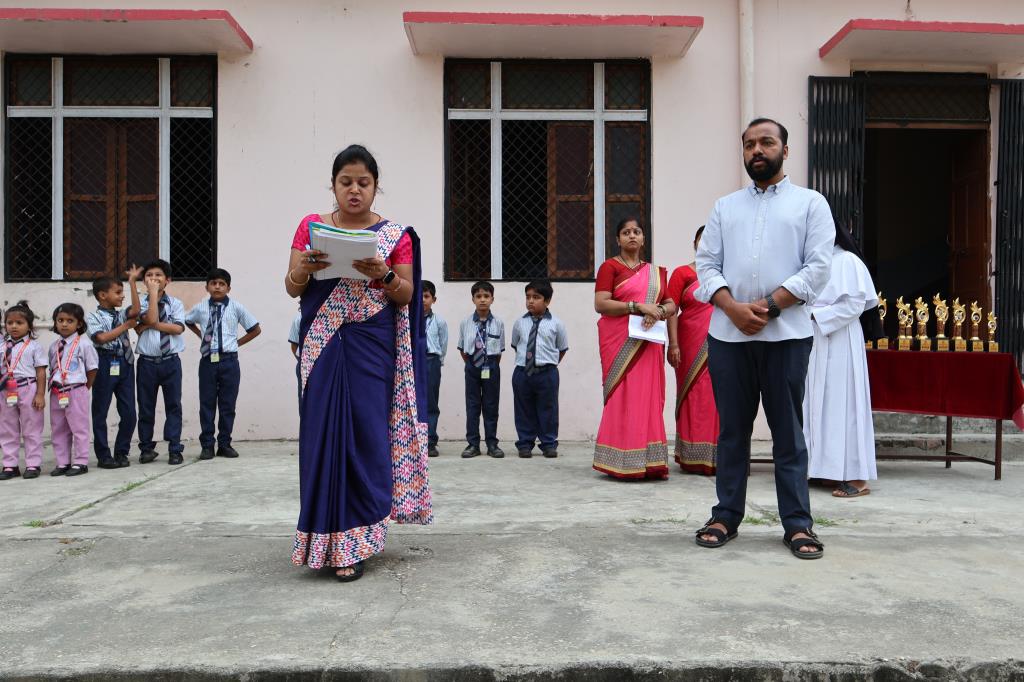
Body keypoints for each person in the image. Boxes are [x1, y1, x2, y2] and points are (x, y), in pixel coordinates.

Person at [284, 144, 431, 582]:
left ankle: (358, 542)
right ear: (332, 185)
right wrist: (305, 268)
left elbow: (406, 294)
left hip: (371, 347)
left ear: (375, 187)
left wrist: (383, 274)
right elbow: (292, 286)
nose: (354, 190)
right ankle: (322, 539)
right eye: (345, 182)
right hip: (322, 345)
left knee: (366, 434)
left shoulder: (396, 235)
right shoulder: (310, 227)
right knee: (321, 435)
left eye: (363, 183)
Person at [694, 118, 834, 560]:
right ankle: (725, 516)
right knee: (732, 433)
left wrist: (770, 306)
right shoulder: (725, 207)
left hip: (787, 336)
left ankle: (797, 524)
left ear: (785, 151)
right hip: (727, 336)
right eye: (750, 144)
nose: (757, 150)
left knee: (788, 434)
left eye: (767, 142)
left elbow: (818, 268)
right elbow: (706, 265)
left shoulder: (810, 204)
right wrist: (733, 308)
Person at [592, 217, 676, 479]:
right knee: (622, 396)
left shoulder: (655, 273)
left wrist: (657, 310)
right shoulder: (609, 267)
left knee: (647, 398)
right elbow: (601, 304)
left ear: (643, 239)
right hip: (620, 343)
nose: (631, 236)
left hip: (648, 344)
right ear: (618, 239)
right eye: (626, 232)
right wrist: (638, 307)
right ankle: (620, 460)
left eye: (636, 232)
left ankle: (650, 462)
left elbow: (671, 304)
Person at [803, 225, 878, 498]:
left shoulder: (847, 261)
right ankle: (828, 470)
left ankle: (857, 478)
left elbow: (855, 304)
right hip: (814, 340)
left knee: (843, 405)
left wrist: (816, 315)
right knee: (817, 405)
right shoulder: (812, 263)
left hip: (840, 339)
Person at [185, 268, 262, 461]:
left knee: (228, 404)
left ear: (228, 288)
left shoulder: (236, 307)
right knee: (207, 404)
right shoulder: (200, 308)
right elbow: (188, 321)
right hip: (208, 361)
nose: (217, 287)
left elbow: (255, 329)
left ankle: (225, 444)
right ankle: (207, 446)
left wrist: (236, 343)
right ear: (207, 287)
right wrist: (202, 336)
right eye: (213, 283)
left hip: (229, 361)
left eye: (222, 284)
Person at [666, 226, 719, 475]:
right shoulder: (682, 273)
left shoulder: (726, 273)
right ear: (694, 243)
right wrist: (673, 344)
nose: (706, 243)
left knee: (717, 397)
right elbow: (671, 310)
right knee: (692, 395)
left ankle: (717, 456)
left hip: (721, 343)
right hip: (689, 343)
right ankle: (690, 456)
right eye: (701, 239)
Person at [134, 259, 187, 465]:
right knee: (146, 407)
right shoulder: (139, 303)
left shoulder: (176, 304)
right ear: (144, 281)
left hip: (170, 362)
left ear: (168, 280)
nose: (154, 279)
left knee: (173, 406)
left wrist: (150, 324)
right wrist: (153, 298)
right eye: (149, 275)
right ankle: (146, 448)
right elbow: (142, 323)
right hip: (147, 363)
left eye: (158, 275)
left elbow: (177, 328)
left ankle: (175, 448)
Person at [87, 269, 141, 469]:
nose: (122, 296)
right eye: (118, 292)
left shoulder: (122, 314)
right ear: (102, 295)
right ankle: (104, 455)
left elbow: (135, 311)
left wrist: (133, 282)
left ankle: (121, 451)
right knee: (100, 411)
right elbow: (101, 338)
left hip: (125, 362)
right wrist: (126, 326)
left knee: (129, 412)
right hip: (104, 362)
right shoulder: (92, 317)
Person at [511, 280, 568, 459]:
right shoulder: (519, 323)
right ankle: (525, 443)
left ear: (547, 300)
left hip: (547, 373)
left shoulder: (557, 324)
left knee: (548, 409)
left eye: (536, 297)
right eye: (528, 297)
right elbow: (516, 345)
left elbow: (562, 349)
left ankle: (549, 444)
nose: (531, 301)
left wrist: (548, 365)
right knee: (523, 409)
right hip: (523, 372)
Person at [48, 303, 99, 477]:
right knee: (58, 428)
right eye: (60, 320)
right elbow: (53, 368)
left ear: (79, 324)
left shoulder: (84, 344)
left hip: (76, 390)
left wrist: (84, 388)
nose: (64, 324)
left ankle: (80, 462)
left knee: (79, 428)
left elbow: (92, 369)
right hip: (57, 391)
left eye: (70, 321)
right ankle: (63, 462)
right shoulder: (54, 346)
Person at [457, 281, 505, 459]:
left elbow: (499, 351)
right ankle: (473, 444)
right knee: (472, 405)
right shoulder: (465, 322)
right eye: (478, 296)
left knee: (491, 405)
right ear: (473, 299)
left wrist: (489, 363)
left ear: (492, 299)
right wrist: (473, 363)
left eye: (486, 296)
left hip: (491, 365)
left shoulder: (498, 323)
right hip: (472, 365)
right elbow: (462, 349)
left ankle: (492, 444)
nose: (482, 300)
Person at [0, 302, 48, 481]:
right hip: (6, 390)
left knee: (31, 428)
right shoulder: (2, 346)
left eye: (19, 323)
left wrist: (40, 394)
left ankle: (33, 464)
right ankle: (10, 465)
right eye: (10, 323)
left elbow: (41, 371)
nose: (14, 326)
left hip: (28, 388)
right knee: (7, 428)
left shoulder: (34, 346)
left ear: (29, 326)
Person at [422, 280, 448, 458]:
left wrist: (437, 361)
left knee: (431, 402)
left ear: (434, 299)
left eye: (426, 296)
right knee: (412, 401)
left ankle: (430, 441)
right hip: (413, 360)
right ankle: (414, 440)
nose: (423, 300)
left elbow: (443, 344)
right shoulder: (407, 318)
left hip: (432, 361)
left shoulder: (439, 321)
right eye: (419, 296)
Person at [288, 307, 302, 417]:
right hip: (304, 366)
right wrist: (303, 362)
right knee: (304, 402)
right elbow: (294, 346)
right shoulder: (299, 319)